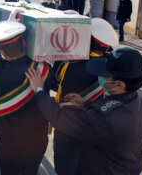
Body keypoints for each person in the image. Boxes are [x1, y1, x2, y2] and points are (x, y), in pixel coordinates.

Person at [26, 46, 142, 175]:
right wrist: (85, 105)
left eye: (105, 75)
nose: (101, 77)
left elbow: (60, 118)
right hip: (126, 165)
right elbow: (107, 115)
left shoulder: (104, 119)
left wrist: (39, 90)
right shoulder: (134, 98)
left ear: (119, 85)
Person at [0, 15, 56, 175]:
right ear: (24, 43)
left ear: (2, 52)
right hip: (37, 136)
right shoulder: (44, 69)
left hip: (9, 138)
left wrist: (5, 25)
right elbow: (58, 79)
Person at [51, 18, 119, 174]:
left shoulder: (68, 63)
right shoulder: (114, 68)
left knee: (65, 166)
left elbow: (55, 84)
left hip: (68, 127)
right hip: (97, 128)